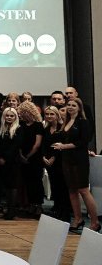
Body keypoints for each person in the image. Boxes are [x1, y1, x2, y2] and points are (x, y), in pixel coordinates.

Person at [54, 98, 100, 233]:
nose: (70, 107)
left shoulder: (83, 122)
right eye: (68, 105)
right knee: (72, 190)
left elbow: (83, 142)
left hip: (79, 160)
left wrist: (64, 146)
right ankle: (78, 219)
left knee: (83, 190)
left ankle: (95, 222)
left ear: (79, 108)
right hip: (67, 159)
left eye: (73, 105)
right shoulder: (66, 121)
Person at [41, 106, 70, 222]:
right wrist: (43, 157)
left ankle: (64, 210)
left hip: (60, 160)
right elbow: (44, 145)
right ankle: (57, 207)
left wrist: (53, 157)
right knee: (54, 185)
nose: (49, 116)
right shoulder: (46, 129)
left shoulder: (62, 128)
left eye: (51, 114)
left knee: (62, 186)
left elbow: (62, 144)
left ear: (57, 115)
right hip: (48, 161)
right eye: (47, 114)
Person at [15, 101, 44, 218]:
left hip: (34, 157)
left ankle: (38, 204)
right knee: (27, 182)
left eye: (22, 112)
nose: (20, 115)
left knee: (36, 182)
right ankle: (31, 204)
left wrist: (27, 156)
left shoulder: (38, 125)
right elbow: (18, 141)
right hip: (23, 157)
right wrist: (21, 155)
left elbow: (37, 144)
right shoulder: (21, 125)